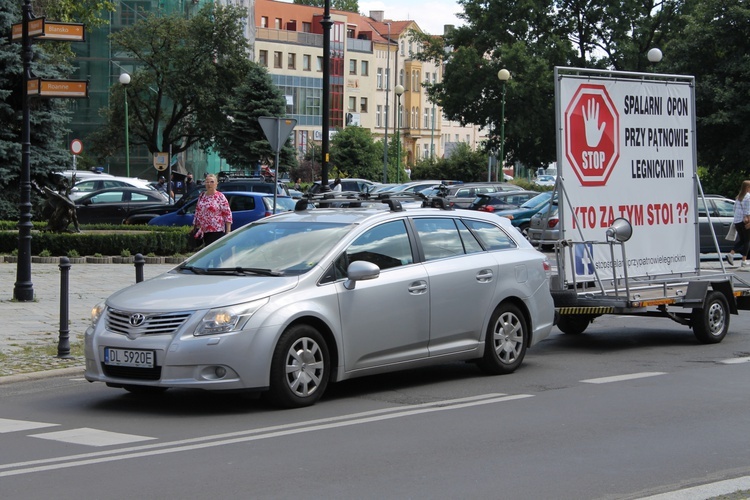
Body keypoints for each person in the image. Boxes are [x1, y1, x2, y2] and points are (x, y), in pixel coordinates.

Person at [193, 173, 232, 246]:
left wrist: (228, 231)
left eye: (212, 182)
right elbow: (197, 212)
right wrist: (195, 227)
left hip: (217, 230)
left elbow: (227, 214)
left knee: (215, 253)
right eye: (207, 182)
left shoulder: (220, 196)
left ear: (216, 184)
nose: (209, 184)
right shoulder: (202, 196)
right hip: (204, 230)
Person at [726, 180, 750, 267]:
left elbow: (734, 209)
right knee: (747, 240)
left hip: (737, 221)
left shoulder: (738, 197)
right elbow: (747, 211)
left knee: (742, 240)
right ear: (747, 188)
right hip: (745, 221)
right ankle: (744, 260)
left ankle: (731, 254)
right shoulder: (748, 197)